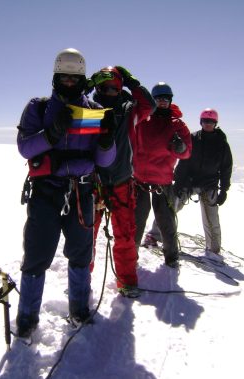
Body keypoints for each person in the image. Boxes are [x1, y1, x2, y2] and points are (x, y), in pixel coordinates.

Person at [15, 48, 117, 337]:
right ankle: (26, 317)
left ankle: (79, 308)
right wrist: (50, 135)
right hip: (46, 191)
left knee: (81, 253)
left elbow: (104, 160)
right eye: (65, 78)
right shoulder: (38, 108)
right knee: (37, 254)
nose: (70, 83)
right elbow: (25, 147)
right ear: (55, 78)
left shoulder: (95, 112)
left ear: (82, 79)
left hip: (81, 191)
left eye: (75, 79)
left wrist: (107, 140)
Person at [89, 66, 155, 298]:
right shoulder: (87, 108)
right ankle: (81, 277)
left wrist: (132, 82)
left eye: (114, 87)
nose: (108, 91)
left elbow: (149, 106)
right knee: (87, 235)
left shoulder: (129, 111)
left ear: (120, 88)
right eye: (103, 87)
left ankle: (126, 280)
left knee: (125, 235)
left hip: (121, 180)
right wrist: (83, 87)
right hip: (93, 181)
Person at [144, 108, 232, 257]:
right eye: (205, 121)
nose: (207, 124)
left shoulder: (221, 144)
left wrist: (224, 190)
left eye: (210, 121)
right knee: (170, 209)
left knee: (212, 218)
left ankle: (214, 249)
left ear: (215, 123)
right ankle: (154, 236)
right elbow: (184, 161)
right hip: (188, 182)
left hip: (209, 184)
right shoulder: (193, 138)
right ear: (201, 122)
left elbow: (226, 168)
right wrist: (178, 182)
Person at [132, 82, 192, 268]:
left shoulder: (177, 125)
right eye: (159, 99)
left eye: (166, 98)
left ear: (170, 100)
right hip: (140, 179)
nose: (163, 102)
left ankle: (172, 257)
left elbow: (187, 152)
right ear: (153, 100)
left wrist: (180, 147)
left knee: (166, 223)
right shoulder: (142, 120)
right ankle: (130, 257)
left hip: (163, 181)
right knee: (137, 221)